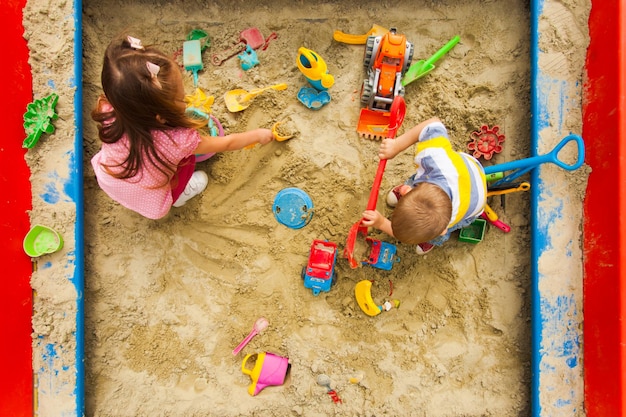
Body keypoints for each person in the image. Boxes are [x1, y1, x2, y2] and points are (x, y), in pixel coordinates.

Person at [90, 35, 274, 219]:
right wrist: (259, 135)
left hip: (112, 180)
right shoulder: (179, 141)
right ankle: (179, 196)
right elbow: (226, 143)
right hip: (152, 199)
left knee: (161, 165)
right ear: (160, 117)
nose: (184, 100)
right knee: (189, 160)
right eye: (180, 99)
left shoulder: (109, 108)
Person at [361, 117, 487, 254]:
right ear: (406, 190)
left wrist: (382, 223)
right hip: (465, 168)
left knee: (435, 234)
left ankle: (430, 240)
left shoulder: (446, 222)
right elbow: (433, 123)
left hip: (472, 207)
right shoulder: (433, 158)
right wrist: (397, 145)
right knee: (419, 180)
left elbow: (423, 228)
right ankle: (413, 196)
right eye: (408, 192)